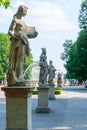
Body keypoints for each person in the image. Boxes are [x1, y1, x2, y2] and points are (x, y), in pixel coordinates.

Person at [7, 5, 38, 86]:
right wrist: (17, 36)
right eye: (26, 12)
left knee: (21, 60)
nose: (26, 13)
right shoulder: (15, 20)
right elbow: (10, 32)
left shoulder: (24, 22)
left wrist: (34, 35)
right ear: (21, 11)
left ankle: (20, 77)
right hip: (18, 43)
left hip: (24, 42)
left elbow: (25, 34)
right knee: (17, 60)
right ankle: (16, 78)